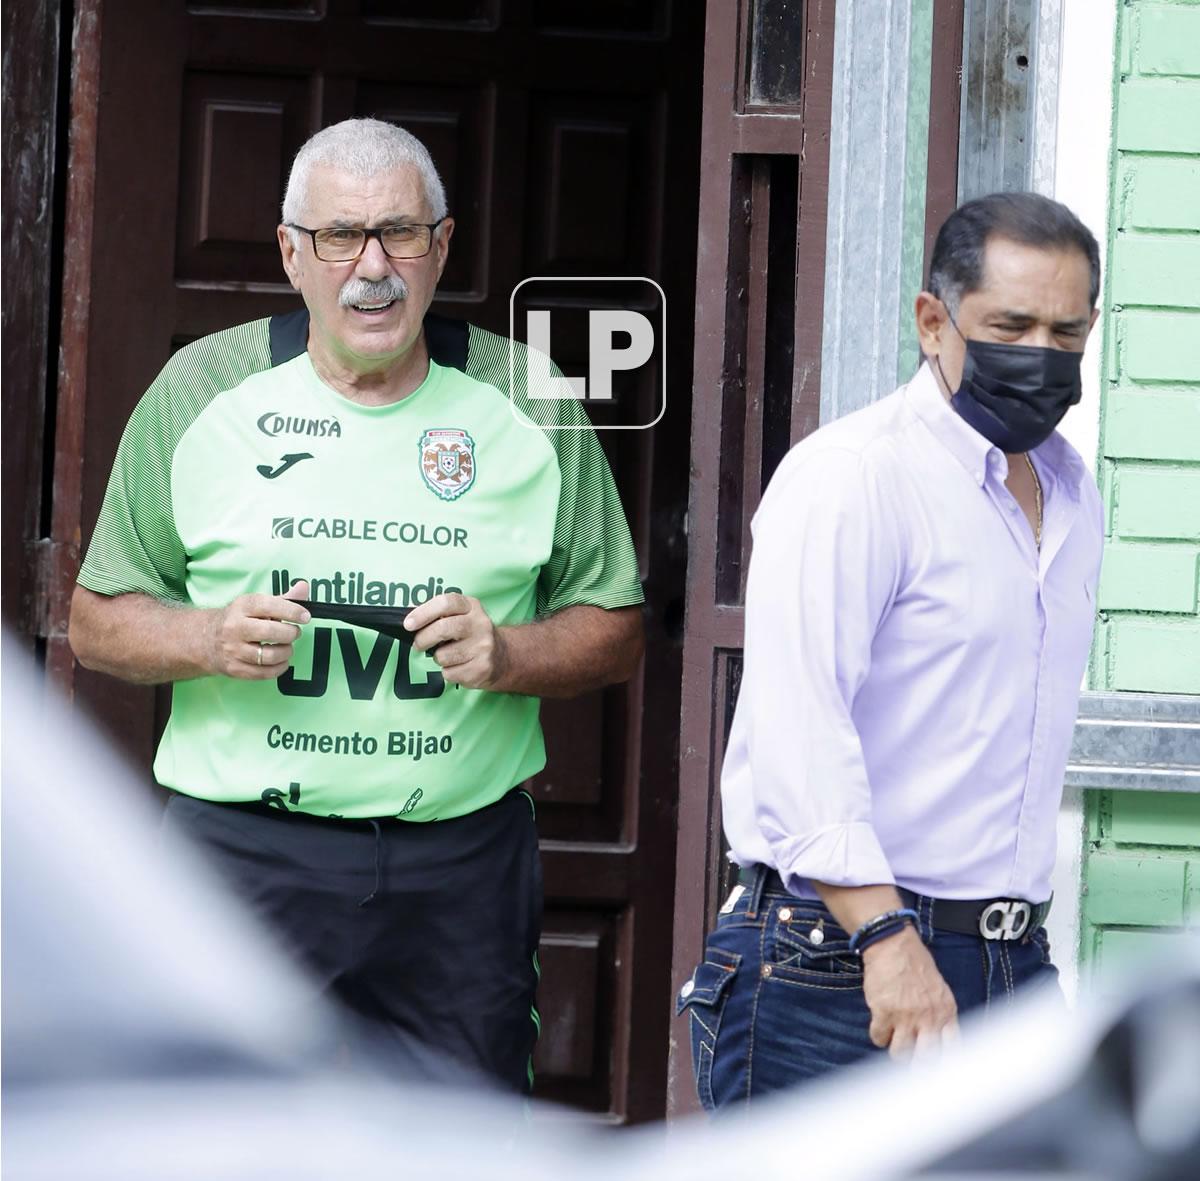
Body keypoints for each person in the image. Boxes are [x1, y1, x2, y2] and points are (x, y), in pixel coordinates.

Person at [68, 118, 645, 1094]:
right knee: (200, 1136)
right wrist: (206, 636)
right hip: (243, 854)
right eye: (340, 236)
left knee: (469, 1145)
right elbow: (95, 619)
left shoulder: (528, 395)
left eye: (400, 234)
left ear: (443, 247)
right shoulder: (201, 388)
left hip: (458, 863)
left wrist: (508, 654)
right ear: (291, 252)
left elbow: (616, 624)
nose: (371, 268)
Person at [678, 192, 1104, 1108]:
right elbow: (800, 729)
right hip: (839, 962)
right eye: (1009, 325)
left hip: (1011, 966)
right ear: (932, 321)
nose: (1039, 356)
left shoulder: (1072, 494)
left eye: (1066, 334)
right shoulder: (856, 475)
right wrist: (887, 940)